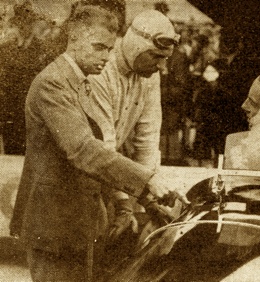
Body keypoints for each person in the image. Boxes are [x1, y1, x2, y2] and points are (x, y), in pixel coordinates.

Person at [9, 6, 182, 281]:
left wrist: (144, 199)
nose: (106, 57)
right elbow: (83, 151)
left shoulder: (80, 82)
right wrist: (147, 181)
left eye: (109, 48)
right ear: (74, 39)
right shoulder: (53, 85)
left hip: (81, 224)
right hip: (54, 225)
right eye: (99, 47)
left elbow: (134, 142)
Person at [87, 9, 183, 250]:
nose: (163, 67)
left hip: (113, 174)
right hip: (84, 175)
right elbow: (104, 146)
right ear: (135, 46)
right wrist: (124, 203)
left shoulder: (149, 73)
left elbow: (148, 139)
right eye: (156, 57)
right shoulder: (100, 69)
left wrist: (149, 199)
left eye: (166, 58)